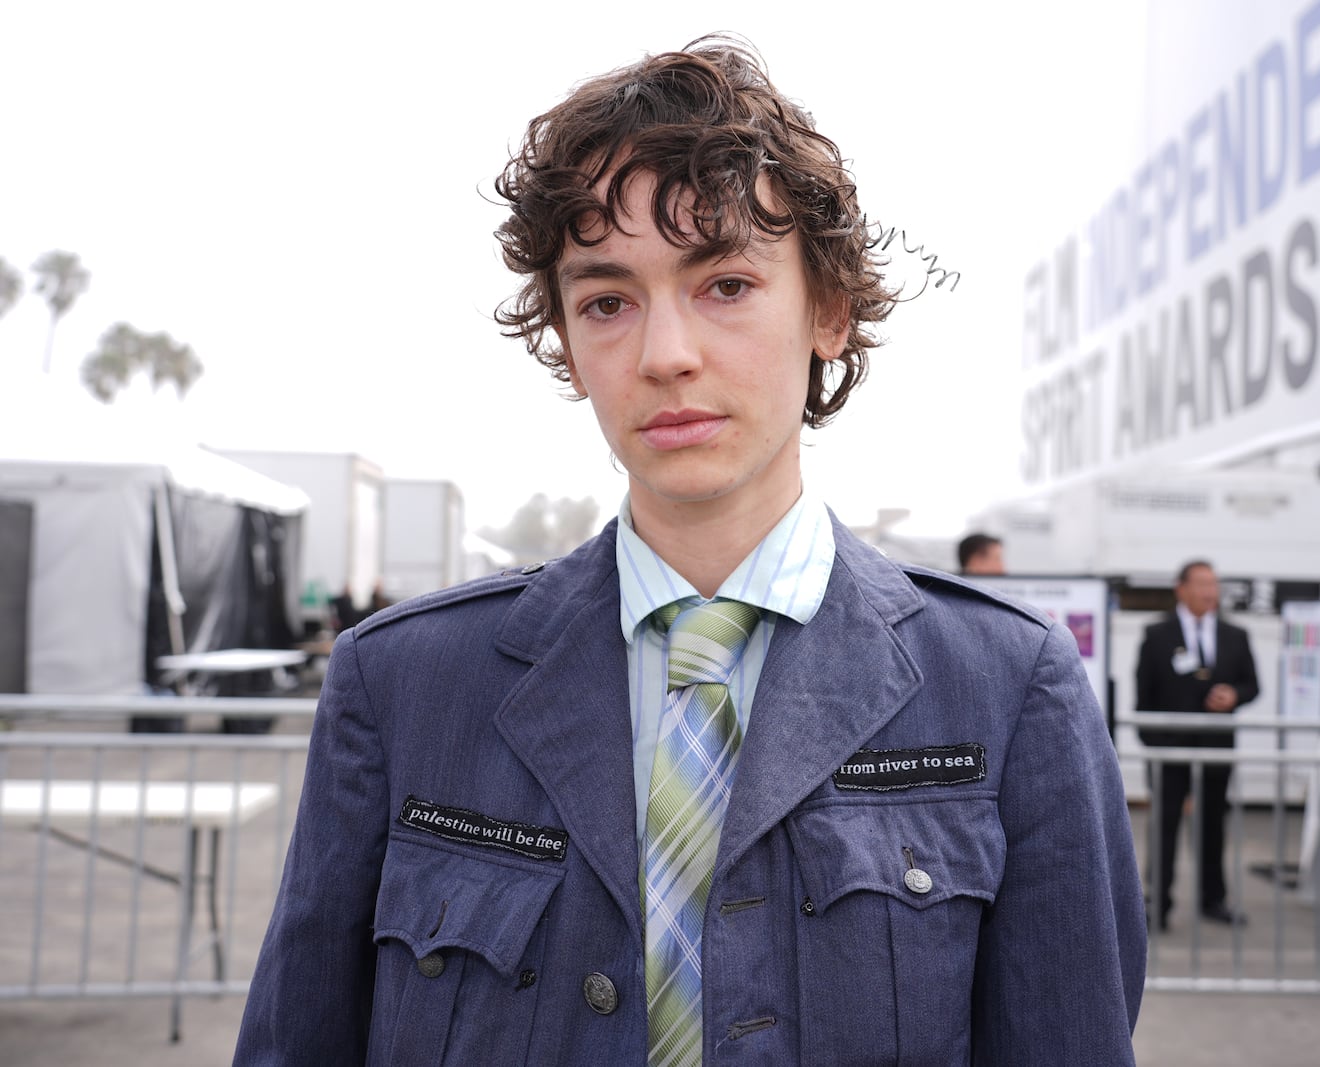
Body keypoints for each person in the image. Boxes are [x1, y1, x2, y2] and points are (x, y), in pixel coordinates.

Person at [235, 36, 1143, 1066]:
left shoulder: (1005, 687)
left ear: (829, 310)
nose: (665, 353)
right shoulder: (401, 685)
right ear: (570, 346)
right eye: (608, 301)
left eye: (724, 284)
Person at [1136, 559, 1259, 931]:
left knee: (1211, 827)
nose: (1210, 592)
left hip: (1216, 748)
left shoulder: (1235, 635)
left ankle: (1213, 899)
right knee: (1165, 827)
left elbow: (1252, 685)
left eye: (1214, 584)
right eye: (1202, 583)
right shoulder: (1157, 634)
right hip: (1170, 751)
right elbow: (1145, 696)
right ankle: (1157, 903)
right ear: (1181, 588)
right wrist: (1155, 744)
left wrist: (1233, 695)